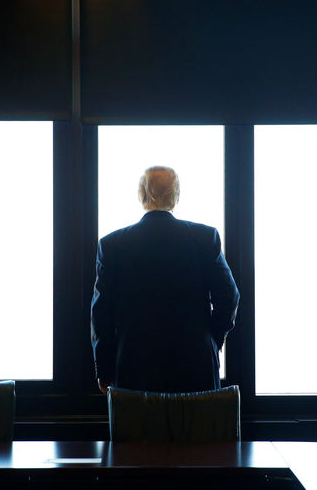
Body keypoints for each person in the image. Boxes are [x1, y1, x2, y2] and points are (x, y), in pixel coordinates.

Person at [91, 166, 240, 394]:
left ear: (141, 195)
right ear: (176, 196)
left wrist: (104, 367)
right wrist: (211, 340)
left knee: (140, 430)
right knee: (196, 429)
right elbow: (229, 296)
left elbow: (101, 313)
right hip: (196, 364)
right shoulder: (204, 238)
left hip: (135, 367)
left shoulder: (112, 245)